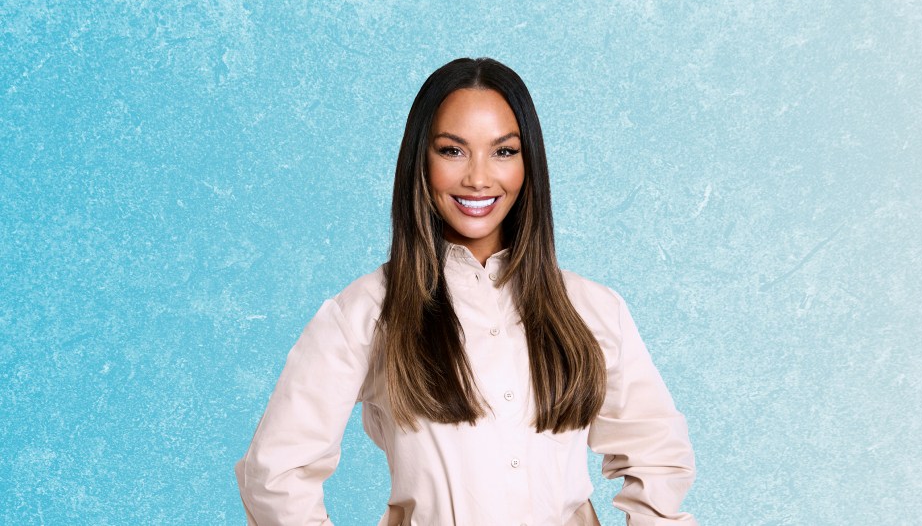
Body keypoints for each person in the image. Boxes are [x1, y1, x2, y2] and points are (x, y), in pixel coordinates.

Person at [235, 57, 697, 525]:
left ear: (528, 162)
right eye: (453, 150)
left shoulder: (592, 309)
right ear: (421, 160)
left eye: (503, 151)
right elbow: (276, 473)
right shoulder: (368, 312)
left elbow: (657, 457)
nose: (478, 178)